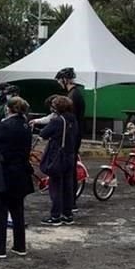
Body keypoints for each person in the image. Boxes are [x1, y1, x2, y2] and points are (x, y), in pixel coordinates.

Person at [0, 96, 35, 258]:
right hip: (21, 171)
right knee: (17, 211)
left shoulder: (5, 125)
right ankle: (20, 246)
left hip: (3, 171)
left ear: (8, 109)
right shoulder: (26, 126)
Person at [38, 95, 77, 226]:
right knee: (67, 186)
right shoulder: (72, 119)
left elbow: (43, 134)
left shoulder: (57, 121)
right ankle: (68, 215)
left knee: (55, 187)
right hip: (70, 155)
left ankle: (55, 216)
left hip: (57, 156)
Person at [55, 68, 85, 210]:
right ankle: (69, 201)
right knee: (69, 168)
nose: (59, 83)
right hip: (75, 135)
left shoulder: (73, 96)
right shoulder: (74, 93)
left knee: (68, 169)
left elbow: (69, 119)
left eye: (60, 80)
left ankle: (70, 201)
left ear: (65, 80)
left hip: (72, 136)